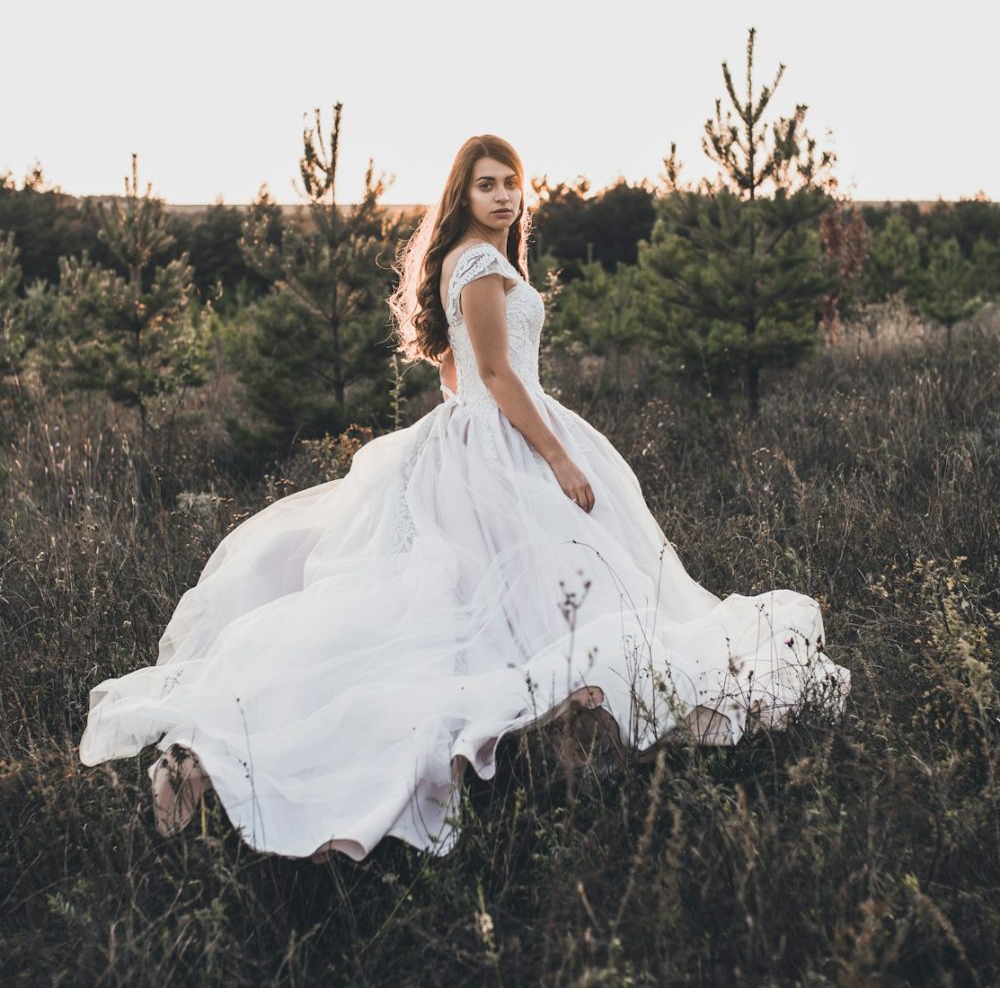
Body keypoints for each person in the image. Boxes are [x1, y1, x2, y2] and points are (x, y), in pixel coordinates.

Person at [78, 134, 851, 863]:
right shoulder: (481, 264)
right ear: (464, 192)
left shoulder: (461, 257)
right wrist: (556, 458)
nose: (506, 194)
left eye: (513, 181)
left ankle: (562, 749)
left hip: (476, 433)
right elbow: (497, 372)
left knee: (513, 603)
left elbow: (455, 375)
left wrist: (481, 417)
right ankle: (561, 754)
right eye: (488, 184)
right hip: (506, 440)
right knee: (546, 594)